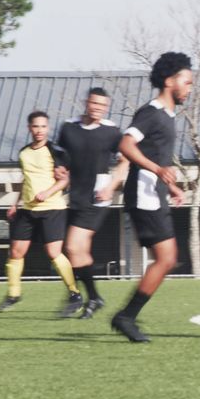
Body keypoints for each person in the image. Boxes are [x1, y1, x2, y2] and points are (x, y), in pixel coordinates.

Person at [111, 52, 190, 343]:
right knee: (166, 259)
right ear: (169, 81)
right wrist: (158, 170)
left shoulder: (167, 116)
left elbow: (155, 155)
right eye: (187, 81)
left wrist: (170, 186)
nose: (190, 88)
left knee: (167, 259)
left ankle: (127, 316)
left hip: (154, 193)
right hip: (143, 196)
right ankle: (125, 317)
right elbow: (126, 144)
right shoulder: (152, 111)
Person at [0, 111, 81, 315]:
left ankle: (74, 293)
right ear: (30, 128)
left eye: (43, 126)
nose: (40, 130)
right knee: (16, 252)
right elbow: (26, 180)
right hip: (27, 210)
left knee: (53, 253)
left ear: (48, 128)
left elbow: (64, 180)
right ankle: (13, 294)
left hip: (52, 209)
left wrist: (47, 193)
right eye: (36, 126)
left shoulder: (55, 152)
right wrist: (15, 203)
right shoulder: (24, 153)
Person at [57, 87, 128, 319]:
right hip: (76, 196)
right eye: (95, 103)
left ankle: (85, 296)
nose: (98, 108)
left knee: (72, 247)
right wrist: (59, 169)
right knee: (79, 252)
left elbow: (125, 160)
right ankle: (92, 298)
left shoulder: (111, 131)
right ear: (86, 103)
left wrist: (111, 186)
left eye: (103, 105)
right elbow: (59, 158)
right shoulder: (68, 128)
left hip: (98, 197)